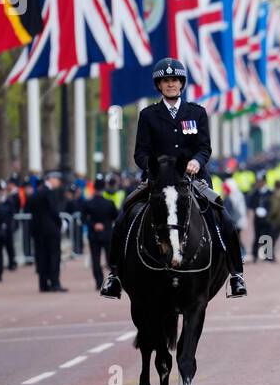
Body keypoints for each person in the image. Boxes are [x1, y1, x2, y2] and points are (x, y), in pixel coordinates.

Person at [100, 57, 246, 299]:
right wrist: (154, 167)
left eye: (174, 80)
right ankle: (114, 275)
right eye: (166, 81)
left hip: (192, 178)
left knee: (224, 218)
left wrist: (196, 162)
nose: (170, 84)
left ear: (182, 83)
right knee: (124, 215)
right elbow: (140, 152)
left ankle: (236, 273)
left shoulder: (197, 113)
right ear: (159, 85)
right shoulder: (148, 115)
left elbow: (205, 147)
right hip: (158, 180)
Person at [30, 171, 67, 293]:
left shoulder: (37, 192)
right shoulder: (48, 193)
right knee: (54, 257)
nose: (58, 183)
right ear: (52, 179)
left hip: (39, 230)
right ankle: (55, 283)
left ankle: (43, 283)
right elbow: (53, 211)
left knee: (42, 257)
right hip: (51, 230)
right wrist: (60, 223)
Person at [82, 179, 117, 291]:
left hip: (94, 235)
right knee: (110, 260)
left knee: (96, 260)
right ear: (103, 188)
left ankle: (99, 282)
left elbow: (83, 219)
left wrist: (93, 225)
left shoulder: (88, 203)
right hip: (107, 234)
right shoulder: (109, 203)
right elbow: (115, 217)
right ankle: (114, 281)